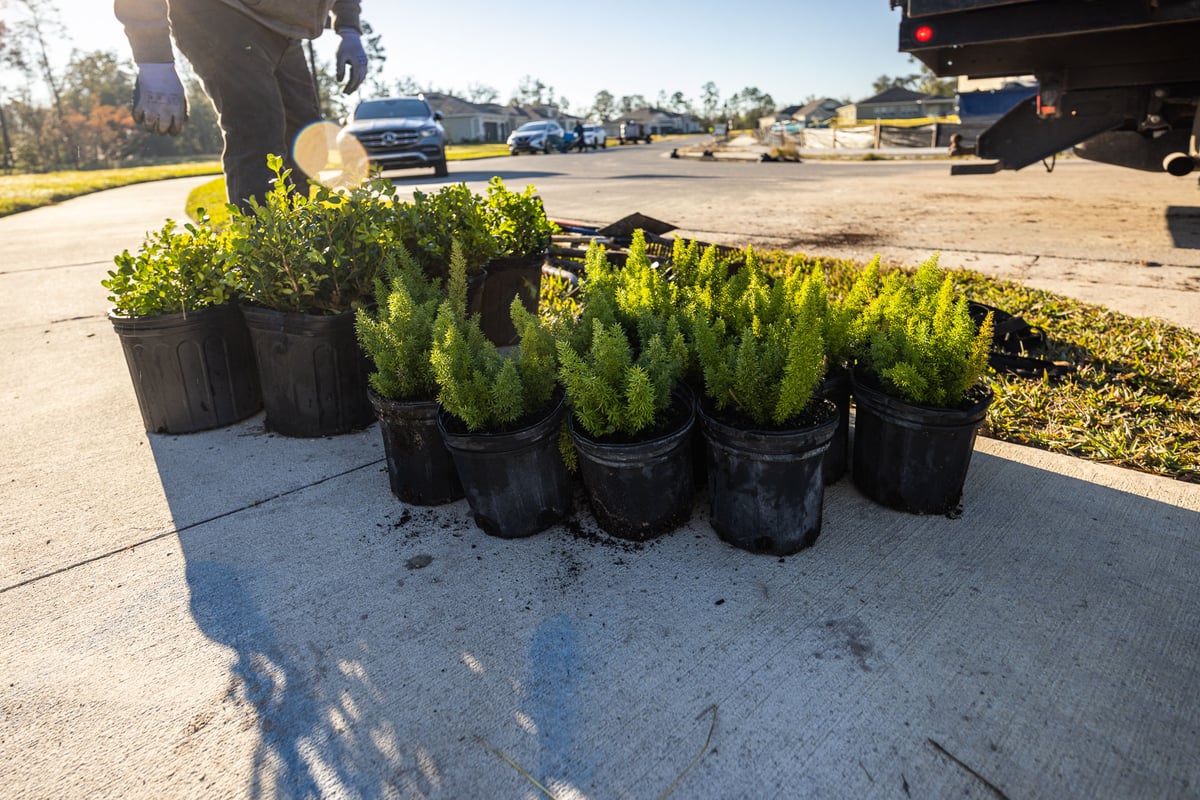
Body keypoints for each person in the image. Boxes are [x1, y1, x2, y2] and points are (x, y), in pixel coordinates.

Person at [114, 0, 368, 211]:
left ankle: (296, 247)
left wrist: (349, 29)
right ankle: (266, 254)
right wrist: (154, 60)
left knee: (304, 139)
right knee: (259, 135)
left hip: (284, 28)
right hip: (219, 12)